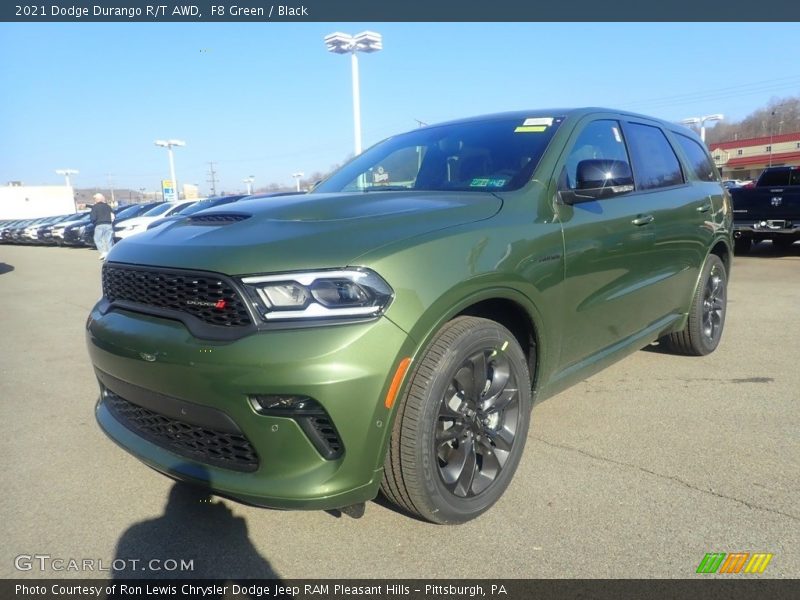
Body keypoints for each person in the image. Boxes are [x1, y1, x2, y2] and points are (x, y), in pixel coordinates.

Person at [89, 193, 114, 260]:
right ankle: (111, 254)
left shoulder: (95, 207)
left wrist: (93, 222)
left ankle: (103, 252)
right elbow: (113, 216)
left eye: (94, 199)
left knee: (97, 239)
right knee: (109, 240)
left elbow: (92, 218)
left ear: (97, 199)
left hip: (99, 225)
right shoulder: (108, 206)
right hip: (108, 224)